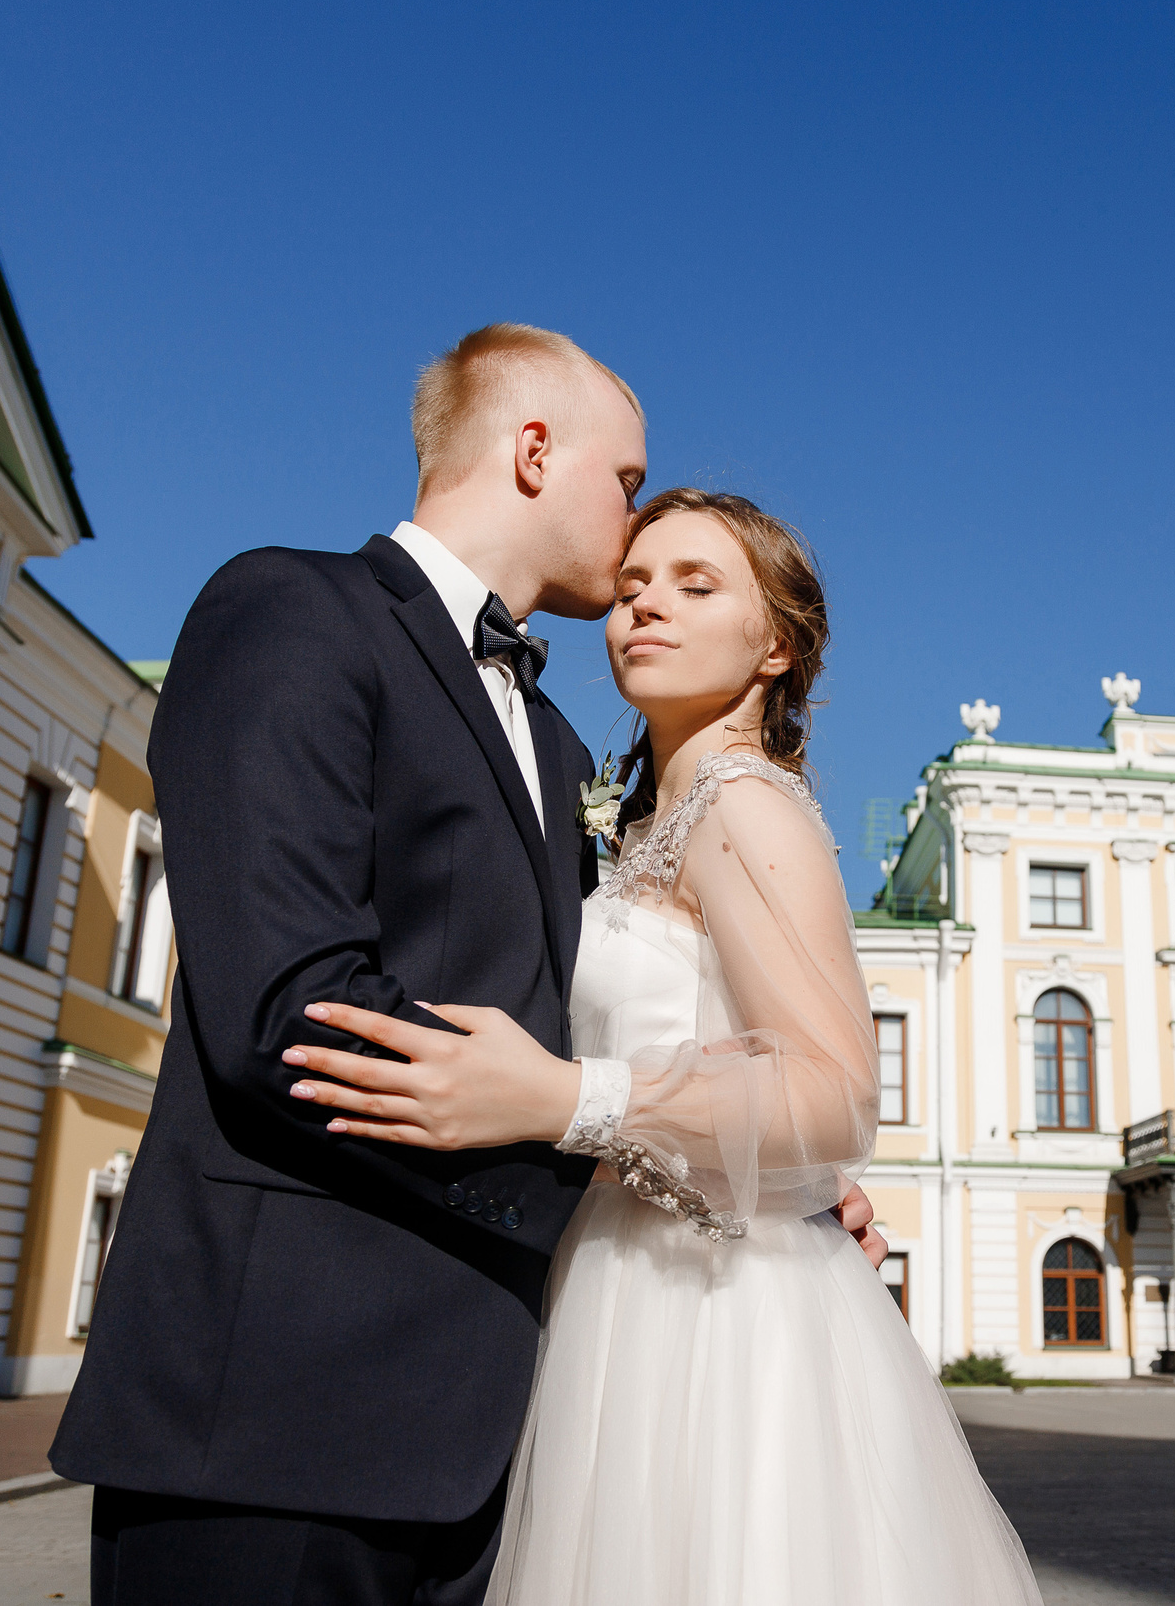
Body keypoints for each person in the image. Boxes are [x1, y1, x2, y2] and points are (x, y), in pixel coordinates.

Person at [53, 324, 880, 1606]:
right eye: (625, 488)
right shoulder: (291, 609)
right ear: (535, 451)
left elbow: (560, 1033)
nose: (635, 543)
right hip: (278, 1404)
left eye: (693, 576)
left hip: (502, 1416)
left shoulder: (556, 745)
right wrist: (638, 1156)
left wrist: (769, 1167)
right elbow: (290, 1009)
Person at [291, 489, 1043, 1604]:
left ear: (775, 644)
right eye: (634, 587)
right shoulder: (635, 825)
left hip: (722, 1316)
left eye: (697, 585)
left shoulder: (748, 805)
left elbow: (836, 1095)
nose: (645, 608)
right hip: (615, 1273)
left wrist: (564, 1098)